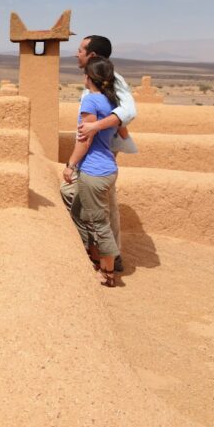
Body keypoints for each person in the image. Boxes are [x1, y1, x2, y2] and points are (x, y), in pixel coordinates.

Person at [71, 35, 137, 271]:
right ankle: (104, 252)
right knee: (100, 203)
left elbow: (129, 111)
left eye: (80, 50)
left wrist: (94, 127)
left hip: (100, 154)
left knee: (100, 204)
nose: (76, 53)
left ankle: (109, 258)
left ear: (93, 56)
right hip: (96, 154)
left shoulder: (113, 79)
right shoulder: (96, 80)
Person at [61, 56, 121, 286]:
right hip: (108, 168)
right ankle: (91, 255)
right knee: (78, 212)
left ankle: (107, 272)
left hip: (93, 171)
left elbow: (85, 140)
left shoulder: (90, 102)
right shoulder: (111, 102)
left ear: (89, 77)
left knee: (98, 221)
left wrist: (70, 165)